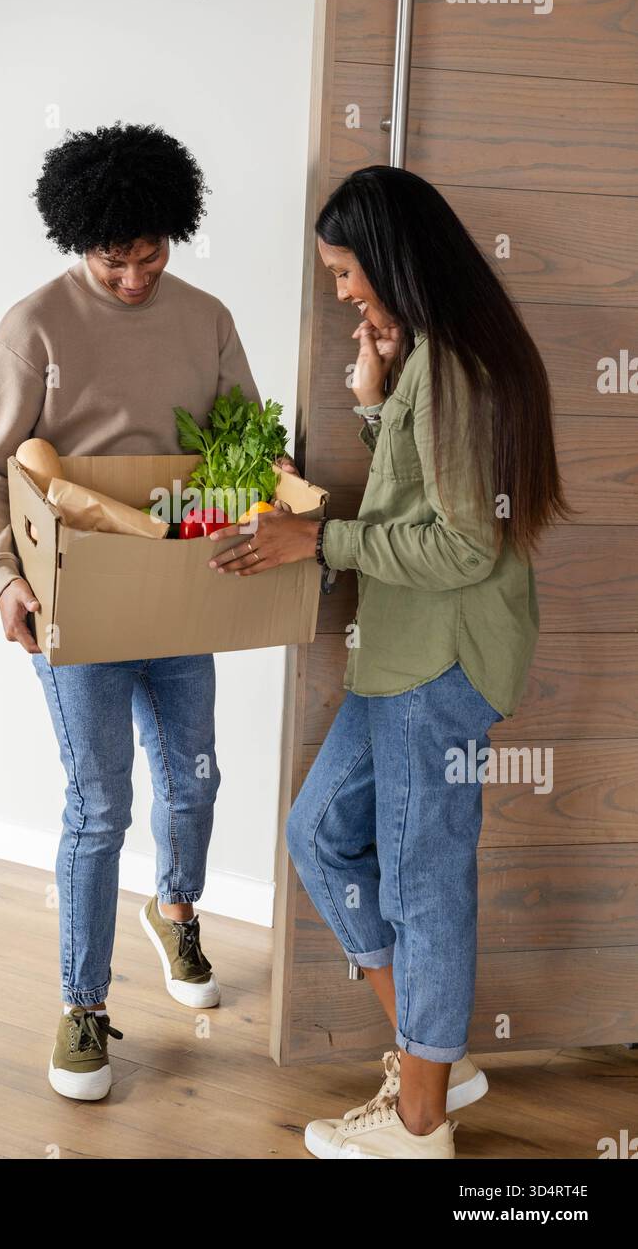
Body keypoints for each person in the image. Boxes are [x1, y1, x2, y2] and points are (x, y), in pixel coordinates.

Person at [208, 164, 568, 1159]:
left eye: (342, 270)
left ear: (389, 257)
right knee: (319, 832)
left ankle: (420, 1121)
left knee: (423, 885)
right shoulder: (431, 363)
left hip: (439, 665)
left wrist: (315, 541)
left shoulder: (454, 366)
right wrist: (375, 403)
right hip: (399, 655)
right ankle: (431, 1052)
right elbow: (424, 500)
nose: (339, 291)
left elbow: (463, 545)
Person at [0, 122, 271, 1101]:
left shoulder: (207, 316)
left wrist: (267, 492)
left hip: (177, 587)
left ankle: (174, 908)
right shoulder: (33, 327)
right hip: (73, 599)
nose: (135, 276)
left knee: (196, 781)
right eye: (113, 257)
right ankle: (83, 1006)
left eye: (151, 254)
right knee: (101, 807)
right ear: (76, 241)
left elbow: (245, 447)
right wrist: (4, 579)